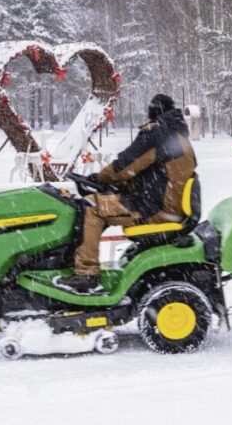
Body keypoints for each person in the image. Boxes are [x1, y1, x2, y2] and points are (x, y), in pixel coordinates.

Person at [54, 94, 198, 294]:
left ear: (154, 112)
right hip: (166, 205)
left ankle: (86, 274)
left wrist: (98, 178)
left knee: (90, 208)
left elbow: (125, 166)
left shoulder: (158, 134)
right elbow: (151, 173)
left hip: (153, 209)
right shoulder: (178, 136)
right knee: (97, 204)